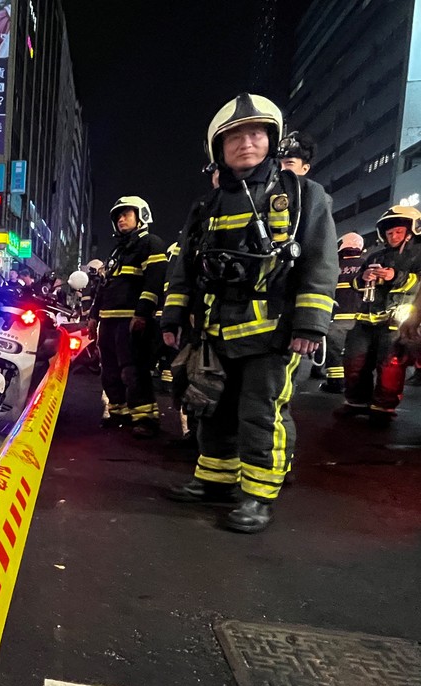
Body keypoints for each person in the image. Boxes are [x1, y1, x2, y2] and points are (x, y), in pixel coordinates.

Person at [161, 93, 338, 533]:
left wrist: (310, 324)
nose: (246, 143)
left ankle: (258, 495)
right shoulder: (206, 206)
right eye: (235, 137)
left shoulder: (302, 195)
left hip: (273, 332)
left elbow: (319, 262)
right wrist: (174, 318)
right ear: (218, 149)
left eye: (256, 133)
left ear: (272, 140)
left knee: (261, 412)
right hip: (215, 329)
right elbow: (184, 267)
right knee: (212, 407)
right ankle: (215, 480)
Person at [335, 206, 421, 425]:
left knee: (390, 366)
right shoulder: (375, 256)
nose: (393, 236)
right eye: (390, 233)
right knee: (354, 361)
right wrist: (363, 277)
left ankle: (383, 408)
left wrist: (396, 276)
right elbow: (355, 285)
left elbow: (418, 284)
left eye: (398, 232)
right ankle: (356, 403)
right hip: (365, 319)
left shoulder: (418, 254)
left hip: (396, 322)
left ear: (411, 230)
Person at [92, 196, 167, 439]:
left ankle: (145, 418)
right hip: (109, 321)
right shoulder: (118, 250)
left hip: (130, 320)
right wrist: (94, 315)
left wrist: (142, 314)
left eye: (126, 214)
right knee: (109, 370)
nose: (121, 219)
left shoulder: (151, 243)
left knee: (133, 370)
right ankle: (118, 412)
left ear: (141, 215)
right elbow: (104, 285)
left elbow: (154, 282)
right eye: (118, 216)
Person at [319, 233, 367, 393]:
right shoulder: (368, 264)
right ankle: (356, 385)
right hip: (361, 319)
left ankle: (335, 383)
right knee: (357, 354)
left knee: (334, 352)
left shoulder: (333, 265)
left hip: (336, 318)